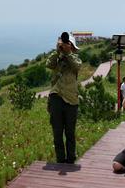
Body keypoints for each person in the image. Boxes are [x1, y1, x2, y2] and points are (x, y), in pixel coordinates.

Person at [46, 32, 81, 164]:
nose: (67, 46)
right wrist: (57, 51)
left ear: (72, 47)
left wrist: (68, 53)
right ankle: (60, 159)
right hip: (56, 98)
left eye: (69, 45)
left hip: (71, 99)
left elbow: (77, 66)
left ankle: (71, 158)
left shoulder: (76, 58)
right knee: (57, 132)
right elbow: (49, 64)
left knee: (70, 132)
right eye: (66, 44)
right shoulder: (56, 57)